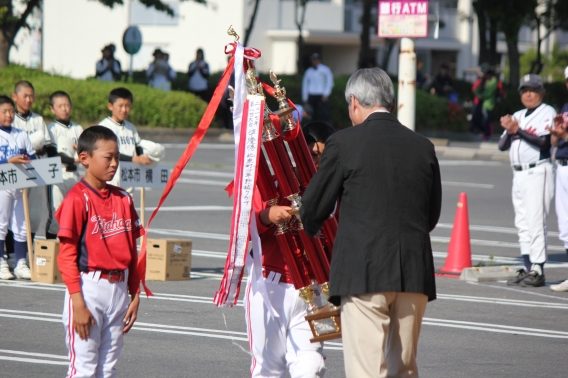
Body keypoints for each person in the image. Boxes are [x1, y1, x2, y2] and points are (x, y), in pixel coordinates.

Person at [300, 68, 442, 378]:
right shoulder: (423, 146)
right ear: (390, 102)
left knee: (367, 369)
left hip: (364, 271)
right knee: (403, 369)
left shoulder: (344, 143)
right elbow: (431, 216)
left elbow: (313, 208)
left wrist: (311, 229)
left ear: (354, 102)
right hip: (414, 273)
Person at [244, 121, 335, 378]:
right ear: (299, 152)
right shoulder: (273, 184)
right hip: (270, 287)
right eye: (313, 155)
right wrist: (266, 215)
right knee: (268, 370)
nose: (318, 163)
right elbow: (242, 227)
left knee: (311, 366)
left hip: (312, 290)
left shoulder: (336, 191)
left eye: (325, 157)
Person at [56, 126, 143, 377]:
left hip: (119, 289)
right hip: (89, 289)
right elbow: (67, 255)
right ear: (85, 158)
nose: (114, 163)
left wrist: (134, 291)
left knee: (107, 369)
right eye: (108, 157)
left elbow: (132, 251)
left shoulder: (123, 198)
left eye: (117, 157)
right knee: (84, 369)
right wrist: (77, 303)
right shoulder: (77, 198)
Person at [498, 74, 555, 288]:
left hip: (538, 171)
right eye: (525, 90)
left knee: (535, 221)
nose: (528, 94)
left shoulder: (547, 112)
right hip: (518, 173)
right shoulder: (519, 115)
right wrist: (509, 127)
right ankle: (527, 264)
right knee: (522, 221)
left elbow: (544, 142)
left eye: (533, 89)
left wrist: (517, 131)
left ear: (541, 92)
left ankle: (538, 268)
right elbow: (502, 145)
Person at [0, 95, 36, 280]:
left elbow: (33, 157)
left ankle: (20, 261)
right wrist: (8, 161)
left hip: (19, 184)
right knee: (1, 224)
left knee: (22, 224)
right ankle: (1, 261)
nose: (9, 115)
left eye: (12, 111)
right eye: (5, 111)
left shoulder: (21, 134)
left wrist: (26, 160)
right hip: (2, 184)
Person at [11, 81, 52, 242]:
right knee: (14, 211)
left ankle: (28, 250)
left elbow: (48, 145)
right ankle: (13, 253)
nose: (29, 100)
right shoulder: (11, 118)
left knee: (33, 212)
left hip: (35, 170)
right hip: (16, 170)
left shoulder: (38, 119)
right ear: (15, 97)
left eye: (31, 96)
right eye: (25, 96)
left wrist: (39, 148)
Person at [45, 91, 84, 240]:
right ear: (52, 109)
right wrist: (74, 160)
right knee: (56, 217)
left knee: (75, 217)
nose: (64, 109)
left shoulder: (77, 128)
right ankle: (50, 254)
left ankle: (71, 252)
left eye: (67, 105)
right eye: (60, 106)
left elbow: (86, 148)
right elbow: (53, 154)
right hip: (57, 175)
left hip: (75, 176)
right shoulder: (52, 128)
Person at [99, 88, 152, 189]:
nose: (124, 110)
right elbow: (107, 153)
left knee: (128, 202)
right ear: (110, 106)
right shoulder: (104, 127)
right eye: (120, 106)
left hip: (129, 176)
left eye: (127, 106)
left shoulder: (131, 127)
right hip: (111, 179)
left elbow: (138, 146)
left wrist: (143, 156)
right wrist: (134, 159)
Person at [549, 66, 568, 292]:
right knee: (564, 225)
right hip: (561, 166)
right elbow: (556, 144)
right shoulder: (565, 108)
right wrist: (556, 133)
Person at [302, 53, 334, 124]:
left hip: (322, 95)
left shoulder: (325, 70)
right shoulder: (308, 71)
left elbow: (329, 83)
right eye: (313, 60)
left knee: (325, 115)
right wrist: (305, 98)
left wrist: (326, 94)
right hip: (312, 95)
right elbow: (305, 85)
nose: (315, 62)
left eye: (316, 60)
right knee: (312, 116)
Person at [472, 65, 498, 141]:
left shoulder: (493, 80)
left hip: (489, 103)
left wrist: (480, 95)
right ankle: (484, 133)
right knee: (482, 119)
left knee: (487, 119)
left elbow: (489, 92)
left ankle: (488, 134)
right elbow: (477, 89)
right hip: (484, 103)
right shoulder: (484, 80)